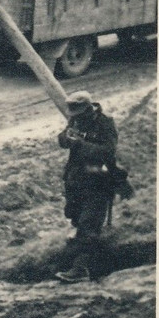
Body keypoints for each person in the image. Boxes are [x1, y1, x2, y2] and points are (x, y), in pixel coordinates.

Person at [55, 90, 118, 283]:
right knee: (75, 217)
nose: (75, 117)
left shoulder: (105, 123)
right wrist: (67, 137)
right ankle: (78, 259)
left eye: (78, 113)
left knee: (89, 225)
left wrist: (81, 144)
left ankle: (81, 269)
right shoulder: (76, 119)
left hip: (97, 181)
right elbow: (62, 140)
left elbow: (108, 151)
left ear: (89, 109)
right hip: (76, 180)